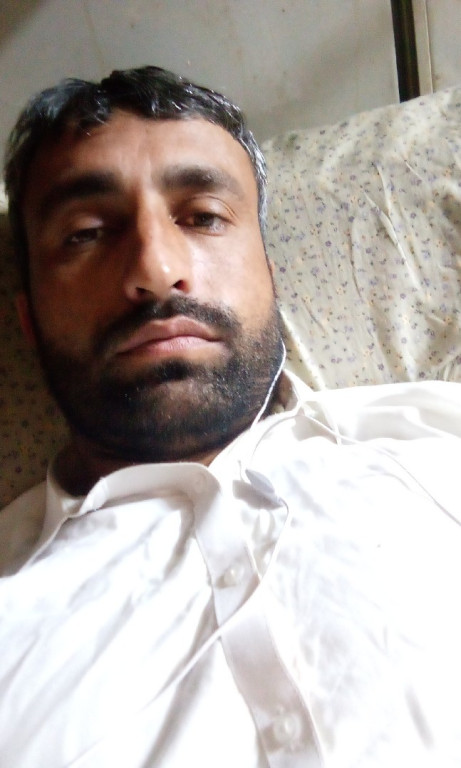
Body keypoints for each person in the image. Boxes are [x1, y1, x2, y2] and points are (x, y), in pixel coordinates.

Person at [1, 66, 461, 768]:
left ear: (270, 273)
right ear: (28, 320)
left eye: (203, 217)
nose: (156, 269)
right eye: (87, 233)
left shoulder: (440, 437)